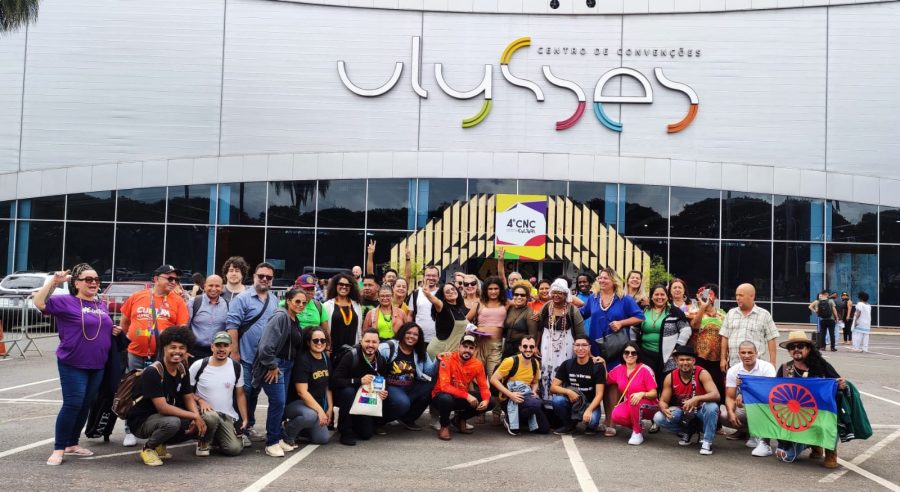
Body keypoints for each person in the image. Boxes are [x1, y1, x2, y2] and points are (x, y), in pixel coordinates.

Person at [35, 265, 118, 465]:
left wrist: (113, 329)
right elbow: (39, 302)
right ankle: (59, 448)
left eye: (96, 279)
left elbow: (99, 326)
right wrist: (54, 282)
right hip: (73, 362)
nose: (93, 283)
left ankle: (72, 443)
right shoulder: (65, 301)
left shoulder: (101, 304)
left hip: (97, 364)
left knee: (85, 405)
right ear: (77, 283)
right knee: (73, 404)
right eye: (88, 279)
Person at [119, 264, 190, 447]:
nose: (173, 282)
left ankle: (158, 430)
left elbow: (181, 330)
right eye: (169, 278)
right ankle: (129, 429)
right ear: (156, 279)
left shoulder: (178, 301)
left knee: (160, 393)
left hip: (161, 357)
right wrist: (128, 342)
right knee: (132, 392)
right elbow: (125, 322)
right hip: (136, 353)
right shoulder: (137, 296)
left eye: (176, 279)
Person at [126, 326, 206, 467]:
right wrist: (194, 416)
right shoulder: (153, 372)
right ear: (164, 348)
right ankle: (148, 449)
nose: (177, 351)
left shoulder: (182, 369)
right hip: (142, 421)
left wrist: (197, 417)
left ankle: (160, 444)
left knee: (203, 420)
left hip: (162, 417)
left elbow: (188, 397)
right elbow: (162, 408)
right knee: (173, 423)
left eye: (182, 348)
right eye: (172, 347)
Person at [580, 267, 644, 432]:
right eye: (600, 278)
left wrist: (622, 323)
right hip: (596, 347)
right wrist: (564, 308)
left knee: (613, 385)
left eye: (605, 278)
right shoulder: (593, 298)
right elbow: (582, 313)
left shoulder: (624, 299)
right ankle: (605, 419)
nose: (601, 280)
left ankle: (611, 422)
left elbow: (639, 317)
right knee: (601, 382)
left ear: (614, 281)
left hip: (616, 348)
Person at [224, 262, 279, 443]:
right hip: (245, 356)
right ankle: (239, 429)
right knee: (244, 392)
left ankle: (249, 426)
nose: (264, 279)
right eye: (261, 276)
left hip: (264, 359)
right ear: (254, 276)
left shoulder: (274, 300)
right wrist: (234, 353)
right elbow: (232, 326)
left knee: (254, 392)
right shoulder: (242, 299)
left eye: (268, 277)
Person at [774, 331, 846, 468]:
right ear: (789, 352)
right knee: (785, 456)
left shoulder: (821, 365)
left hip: (821, 413)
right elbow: (775, 393)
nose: (796, 349)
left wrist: (841, 384)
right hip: (794, 416)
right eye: (792, 347)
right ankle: (812, 443)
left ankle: (830, 450)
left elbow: (836, 382)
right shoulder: (785, 369)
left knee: (830, 420)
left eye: (800, 346)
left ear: (808, 348)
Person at [250, 288, 307, 457]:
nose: (301, 305)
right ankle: (272, 442)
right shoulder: (280, 317)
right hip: (276, 366)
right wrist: (272, 366)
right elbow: (265, 346)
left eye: (304, 303)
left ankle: (279, 438)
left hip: (287, 365)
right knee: (278, 402)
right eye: (297, 301)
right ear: (288, 301)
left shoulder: (295, 319)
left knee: (281, 403)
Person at [652, 345, 721, 455]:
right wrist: (664, 409)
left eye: (688, 359)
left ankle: (707, 441)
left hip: (702, 412)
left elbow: (716, 395)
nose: (685, 363)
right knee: (658, 417)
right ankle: (687, 432)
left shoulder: (702, 373)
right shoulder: (670, 377)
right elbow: (663, 401)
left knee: (712, 407)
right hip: (685, 413)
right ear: (676, 361)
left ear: (694, 361)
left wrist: (697, 398)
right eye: (682, 360)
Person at [188, 331, 247, 457]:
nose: (221, 349)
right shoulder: (199, 365)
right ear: (212, 347)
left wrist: (245, 418)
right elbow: (185, 393)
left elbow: (240, 394)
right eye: (218, 345)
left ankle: (216, 438)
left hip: (227, 416)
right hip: (206, 414)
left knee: (234, 450)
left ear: (230, 348)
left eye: (225, 346)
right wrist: (200, 400)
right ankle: (203, 442)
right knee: (211, 418)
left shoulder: (237, 367)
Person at [331, 329, 389, 446]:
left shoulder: (381, 360)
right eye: (367, 341)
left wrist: (383, 391)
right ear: (361, 341)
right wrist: (359, 381)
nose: (370, 345)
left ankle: (355, 421)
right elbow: (335, 381)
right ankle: (345, 431)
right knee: (348, 392)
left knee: (366, 434)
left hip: (365, 397)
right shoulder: (351, 356)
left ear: (379, 343)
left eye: (374, 342)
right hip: (347, 393)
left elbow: (383, 380)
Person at [718, 340, 776, 457]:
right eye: (743, 353)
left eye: (750, 352)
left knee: (764, 408)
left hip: (764, 406)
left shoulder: (767, 367)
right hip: (745, 407)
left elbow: (769, 393)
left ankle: (765, 444)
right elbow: (729, 397)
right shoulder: (733, 370)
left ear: (756, 353)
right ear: (739, 354)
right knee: (724, 416)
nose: (746, 356)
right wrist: (731, 413)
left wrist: (745, 393)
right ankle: (753, 433)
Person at [431, 334, 493, 441]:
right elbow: (445, 387)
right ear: (459, 346)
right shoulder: (447, 358)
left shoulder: (477, 364)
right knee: (446, 399)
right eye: (465, 346)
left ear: (475, 350)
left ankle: (459, 419)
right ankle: (444, 426)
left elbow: (483, 387)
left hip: (460, 397)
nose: (467, 350)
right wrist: (467, 396)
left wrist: (486, 400)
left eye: (471, 348)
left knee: (491, 401)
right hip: (440, 396)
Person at [379, 322, 435, 430]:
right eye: (408, 333)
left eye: (415, 334)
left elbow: (429, 372)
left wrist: (438, 360)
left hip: (410, 385)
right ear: (402, 333)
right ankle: (379, 422)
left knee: (432, 386)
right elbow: (373, 359)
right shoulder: (388, 347)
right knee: (402, 403)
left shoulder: (420, 351)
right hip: (391, 386)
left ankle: (407, 419)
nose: (411, 336)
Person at [537, 279, 585, 402]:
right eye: (554, 292)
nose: (556, 295)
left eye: (560, 293)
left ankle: (562, 401)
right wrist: (536, 346)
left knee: (563, 368)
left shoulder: (572, 310)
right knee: (545, 370)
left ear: (566, 294)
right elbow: (539, 328)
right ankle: (546, 401)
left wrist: (581, 349)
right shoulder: (546, 307)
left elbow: (580, 333)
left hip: (566, 345)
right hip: (547, 343)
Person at [634, 284, 691, 389]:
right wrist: (634, 346)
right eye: (656, 294)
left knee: (666, 386)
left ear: (667, 296)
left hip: (668, 356)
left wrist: (678, 347)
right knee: (648, 385)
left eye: (662, 294)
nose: (659, 297)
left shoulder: (674, 312)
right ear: (651, 297)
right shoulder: (644, 310)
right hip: (646, 354)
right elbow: (634, 328)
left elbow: (686, 330)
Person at [283, 327, 333, 446]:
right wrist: (320, 411)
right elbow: (302, 392)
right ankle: (288, 433)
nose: (319, 343)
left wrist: (329, 408)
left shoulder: (325, 359)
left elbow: (328, 386)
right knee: (310, 416)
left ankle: (302, 429)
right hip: (298, 404)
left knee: (322, 439)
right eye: (315, 340)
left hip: (314, 406)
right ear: (308, 342)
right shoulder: (303, 360)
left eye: (323, 340)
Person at [490, 336, 549, 435]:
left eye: (531, 347)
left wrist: (534, 391)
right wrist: (510, 395)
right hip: (509, 398)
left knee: (544, 429)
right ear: (520, 348)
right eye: (525, 346)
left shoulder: (535, 363)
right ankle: (510, 419)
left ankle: (520, 419)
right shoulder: (510, 361)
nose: (528, 349)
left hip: (527, 396)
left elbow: (535, 382)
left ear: (535, 348)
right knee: (536, 404)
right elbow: (493, 379)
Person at [550, 335, 606, 435]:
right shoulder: (567, 364)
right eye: (577, 345)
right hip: (573, 403)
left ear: (589, 347)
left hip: (590, 404)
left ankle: (591, 425)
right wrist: (568, 391)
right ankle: (569, 425)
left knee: (592, 422)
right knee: (557, 401)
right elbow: (553, 387)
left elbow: (599, 394)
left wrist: (589, 410)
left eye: (584, 345)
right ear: (573, 347)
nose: (580, 348)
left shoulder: (597, 366)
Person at [607, 341, 658, 444]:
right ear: (623, 354)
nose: (630, 355)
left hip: (650, 405)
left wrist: (642, 394)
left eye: (633, 353)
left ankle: (637, 433)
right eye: (626, 352)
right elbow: (606, 379)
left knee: (634, 399)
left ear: (638, 355)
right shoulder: (619, 369)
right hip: (631, 403)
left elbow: (654, 393)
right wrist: (602, 363)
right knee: (616, 415)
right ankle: (638, 426)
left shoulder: (645, 369)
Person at [720, 284, 778, 373]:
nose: (737, 298)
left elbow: (771, 339)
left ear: (752, 296)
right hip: (734, 365)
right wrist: (723, 359)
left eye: (741, 295)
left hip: (757, 368)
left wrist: (772, 363)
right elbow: (725, 337)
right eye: (736, 295)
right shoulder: (731, 313)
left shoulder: (764, 315)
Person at [688, 284, 727, 403]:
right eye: (702, 294)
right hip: (700, 356)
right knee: (700, 385)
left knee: (718, 386)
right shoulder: (694, 311)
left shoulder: (722, 314)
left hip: (717, 358)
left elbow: (726, 335)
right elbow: (695, 326)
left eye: (709, 294)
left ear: (714, 297)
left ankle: (717, 412)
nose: (706, 297)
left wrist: (724, 358)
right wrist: (702, 308)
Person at [473, 275, 508, 379]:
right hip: (479, 344)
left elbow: (522, 303)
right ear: (486, 290)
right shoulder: (479, 303)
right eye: (490, 289)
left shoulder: (506, 303)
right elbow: (465, 320)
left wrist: (536, 313)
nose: (493, 291)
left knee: (494, 378)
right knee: (476, 378)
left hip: (496, 346)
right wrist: (473, 329)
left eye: (496, 288)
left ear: (500, 290)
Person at [187, 274, 228, 360]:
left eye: (217, 286)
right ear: (205, 286)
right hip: (195, 352)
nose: (213, 289)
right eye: (210, 285)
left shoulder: (228, 305)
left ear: (222, 287)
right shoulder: (194, 303)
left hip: (218, 352)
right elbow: (184, 327)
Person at [322, 273, 363, 359]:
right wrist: (326, 348)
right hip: (333, 351)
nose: (344, 287)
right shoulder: (327, 305)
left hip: (352, 350)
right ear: (335, 286)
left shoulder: (356, 305)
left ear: (351, 287)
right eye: (341, 284)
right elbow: (324, 329)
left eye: (347, 285)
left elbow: (359, 329)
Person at [424, 283, 470, 358]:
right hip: (439, 350)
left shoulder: (459, 309)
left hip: (452, 352)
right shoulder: (442, 307)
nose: (451, 292)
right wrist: (428, 294)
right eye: (447, 291)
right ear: (444, 296)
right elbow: (436, 301)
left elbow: (466, 325)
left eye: (453, 289)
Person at [503, 281, 539, 358]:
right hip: (506, 347)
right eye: (516, 294)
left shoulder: (530, 313)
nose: (519, 297)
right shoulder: (509, 308)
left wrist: (530, 349)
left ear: (527, 297)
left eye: (522, 295)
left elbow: (533, 336)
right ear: (513, 296)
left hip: (521, 350)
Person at [408, 265, 440, 343]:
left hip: (438, 338)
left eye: (434, 276)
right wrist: (408, 331)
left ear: (438, 278)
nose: (431, 278)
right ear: (423, 277)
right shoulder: (415, 293)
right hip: (418, 337)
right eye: (428, 275)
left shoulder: (442, 293)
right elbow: (410, 315)